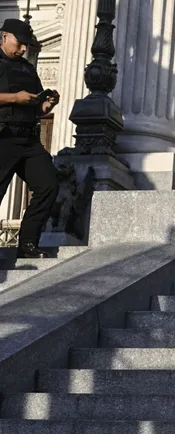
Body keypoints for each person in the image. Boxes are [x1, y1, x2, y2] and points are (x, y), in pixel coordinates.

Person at [0, 19, 59, 259]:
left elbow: (36, 107)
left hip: (28, 140)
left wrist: (47, 104)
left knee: (48, 185)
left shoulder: (27, 68)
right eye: (20, 43)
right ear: (4, 36)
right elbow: (17, 99)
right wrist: (14, 98)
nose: (24, 48)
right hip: (3, 136)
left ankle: (27, 244)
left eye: (27, 44)